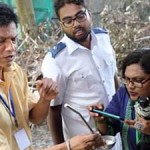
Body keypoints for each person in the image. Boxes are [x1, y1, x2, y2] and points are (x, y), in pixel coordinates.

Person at [0, 2, 104, 150]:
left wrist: (45, 98)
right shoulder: (56, 60)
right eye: (1, 41)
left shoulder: (15, 71)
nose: (11, 48)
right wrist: (67, 146)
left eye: (14, 39)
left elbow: (35, 118)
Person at [41, 0, 121, 149]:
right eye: (68, 20)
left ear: (89, 14)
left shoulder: (103, 38)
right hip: (86, 142)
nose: (76, 24)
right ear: (61, 24)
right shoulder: (56, 60)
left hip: (116, 133)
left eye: (80, 16)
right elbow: (54, 109)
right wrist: (62, 147)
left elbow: (112, 77)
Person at [89, 49, 150, 150]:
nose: (130, 86)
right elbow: (108, 132)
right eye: (127, 79)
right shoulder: (123, 94)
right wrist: (100, 120)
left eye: (138, 80)